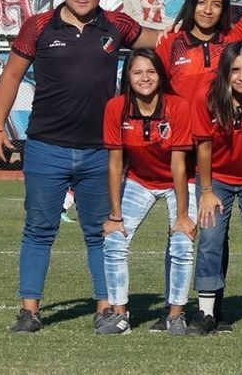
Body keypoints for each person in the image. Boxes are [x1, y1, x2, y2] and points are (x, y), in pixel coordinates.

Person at [0, 0, 156, 334]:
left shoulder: (117, 25)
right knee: (38, 229)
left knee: (100, 231)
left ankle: (105, 308)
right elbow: (12, 75)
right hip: (45, 147)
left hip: (101, 150)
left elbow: (161, 44)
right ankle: (29, 310)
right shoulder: (38, 26)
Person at [97, 49, 196, 336]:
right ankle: (119, 314)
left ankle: (175, 314)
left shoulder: (177, 106)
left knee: (181, 241)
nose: (145, 78)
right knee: (114, 239)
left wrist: (180, 216)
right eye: (137, 72)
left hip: (180, 181)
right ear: (127, 76)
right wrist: (115, 215)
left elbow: (179, 164)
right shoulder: (116, 107)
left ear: (160, 75)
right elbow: (116, 163)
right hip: (139, 180)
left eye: (151, 71)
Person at [190, 42, 242, 338]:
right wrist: (207, 190)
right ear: (224, 72)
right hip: (217, 180)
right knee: (210, 236)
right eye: (235, 70)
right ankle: (207, 312)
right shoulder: (208, 96)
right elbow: (203, 145)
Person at [157, 0, 232, 104]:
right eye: (201, 2)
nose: (208, 10)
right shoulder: (170, 43)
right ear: (192, 4)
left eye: (216, 5)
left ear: (223, 9)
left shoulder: (232, 44)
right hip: (180, 124)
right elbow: (157, 90)